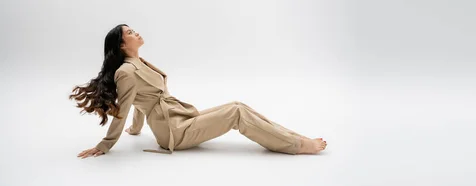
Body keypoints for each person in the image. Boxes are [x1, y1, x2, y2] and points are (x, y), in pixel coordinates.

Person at [70, 24, 327, 159]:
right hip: (173, 132)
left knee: (238, 104)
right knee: (236, 113)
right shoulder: (126, 71)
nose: (136, 32)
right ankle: (296, 145)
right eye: (130, 32)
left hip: (181, 117)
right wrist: (105, 145)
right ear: (122, 44)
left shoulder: (139, 63)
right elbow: (124, 108)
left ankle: (293, 136)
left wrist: (136, 130)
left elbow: (140, 100)